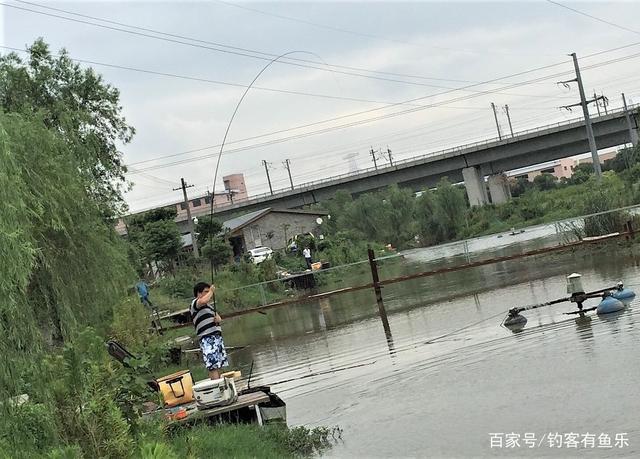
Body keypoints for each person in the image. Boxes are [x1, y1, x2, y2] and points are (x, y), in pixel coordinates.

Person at [190, 282, 228, 380]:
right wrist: (211, 291)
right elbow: (202, 301)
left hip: (217, 337)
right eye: (205, 292)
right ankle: (216, 387)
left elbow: (218, 318)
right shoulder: (196, 303)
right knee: (213, 366)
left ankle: (220, 385)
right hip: (208, 338)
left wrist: (218, 319)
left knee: (219, 364)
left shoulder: (209, 306)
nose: (209, 294)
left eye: (208, 292)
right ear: (199, 294)